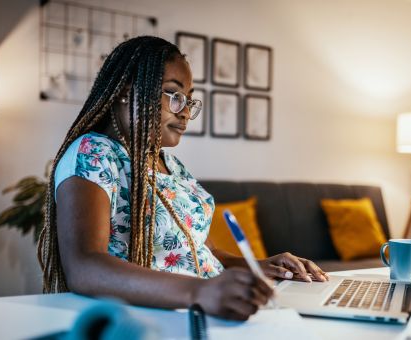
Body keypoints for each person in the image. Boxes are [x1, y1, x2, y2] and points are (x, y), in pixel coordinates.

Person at [38, 36, 329, 321]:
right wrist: (199, 292)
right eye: (174, 96)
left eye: (189, 100)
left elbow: (201, 250)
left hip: (204, 312)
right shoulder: (94, 153)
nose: (186, 112)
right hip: (156, 319)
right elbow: (85, 266)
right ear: (127, 90)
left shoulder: (172, 166)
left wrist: (261, 266)